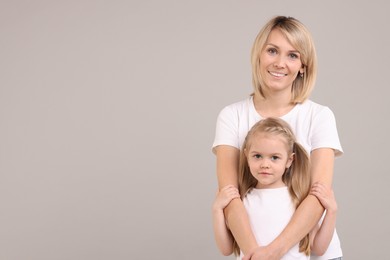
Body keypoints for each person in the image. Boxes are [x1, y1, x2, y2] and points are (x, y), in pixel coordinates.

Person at [212, 15, 343, 259]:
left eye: (293, 55)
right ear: (259, 55)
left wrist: (273, 252)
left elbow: (318, 195)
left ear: (303, 65)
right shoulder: (232, 116)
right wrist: (254, 253)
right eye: (272, 51)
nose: (280, 63)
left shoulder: (320, 116)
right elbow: (230, 196)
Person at [212, 118, 340, 259]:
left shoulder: (299, 200)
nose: (265, 164)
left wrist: (331, 212)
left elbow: (319, 248)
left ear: (289, 160)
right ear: (246, 156)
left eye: (274, 158)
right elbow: (226, 249)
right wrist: (217, 210)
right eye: (257, 156)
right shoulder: (241, 200)